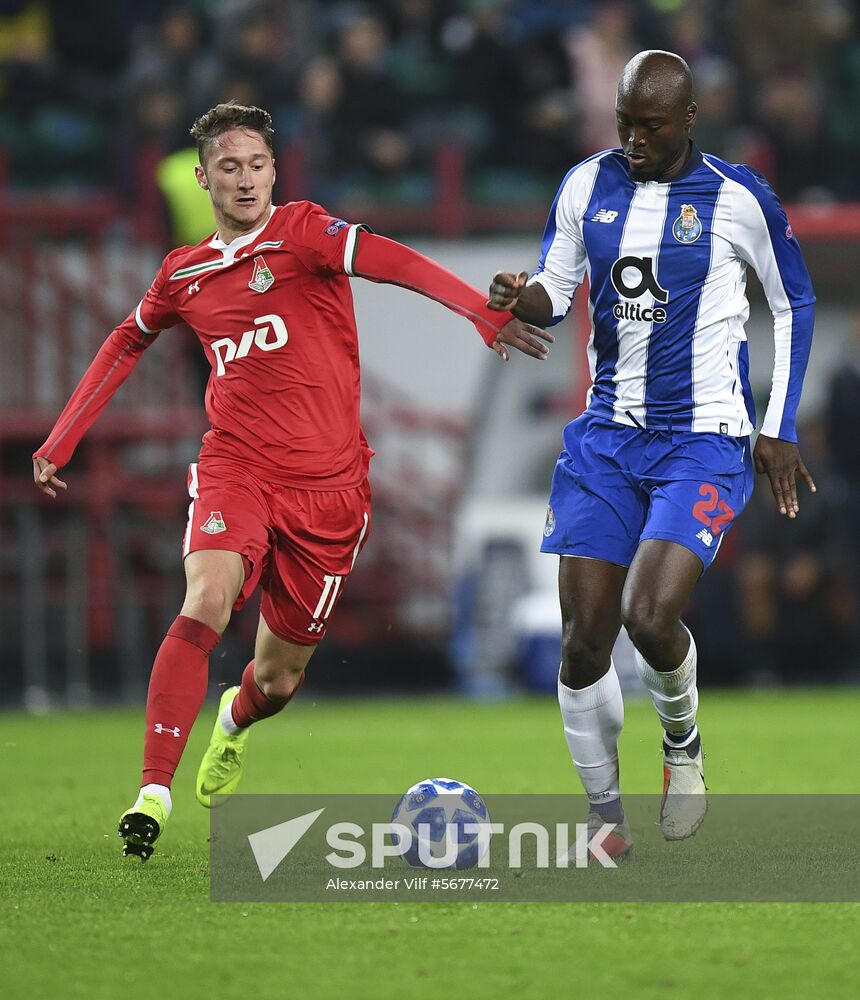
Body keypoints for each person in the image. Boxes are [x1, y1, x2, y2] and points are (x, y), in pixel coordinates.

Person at [33, 101, 552, 861]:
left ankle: (233, 722)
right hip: (236, 468)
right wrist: (63, 436)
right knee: (206, 597)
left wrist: (478, 312)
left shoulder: (306, 232)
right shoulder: (183, 274)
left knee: (275, 680)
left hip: (332, 493)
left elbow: (395, 262)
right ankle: (153, 790)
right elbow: (125, 339)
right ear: (203, 178)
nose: (244, 180)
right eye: (229, 168)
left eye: (257, 166)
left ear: (275, 171)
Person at [487, 50, 815, 859]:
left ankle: (683, 745)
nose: (633, 140)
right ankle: (605, 818)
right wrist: (514, 295)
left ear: (690, 118)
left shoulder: (739, 200)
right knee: (581, 640)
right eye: (624, 123)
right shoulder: (584, 185)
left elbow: (794, 300)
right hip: (605, 439)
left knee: (647, 615)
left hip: (702, 442)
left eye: (651, 126)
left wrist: (779, 425)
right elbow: (555, 294)